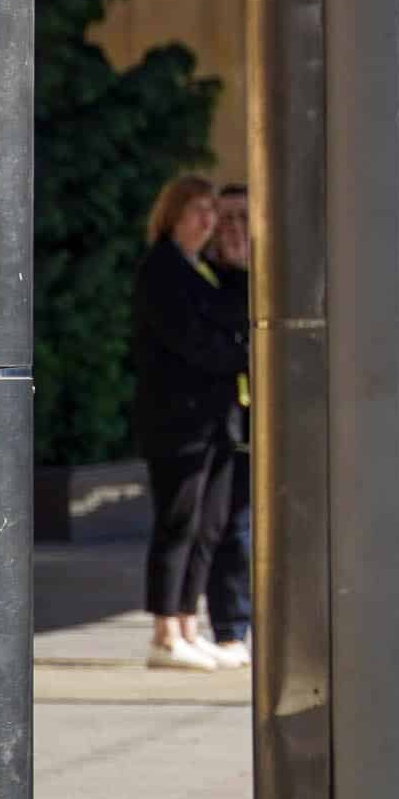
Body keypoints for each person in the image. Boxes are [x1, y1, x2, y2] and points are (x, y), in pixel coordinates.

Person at [131, 174, 248, 672]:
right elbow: (192, 342)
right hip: (179, 421)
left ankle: (186, 622)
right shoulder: (162, 269)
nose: (210, 221)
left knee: (209, 523)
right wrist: (240, 357)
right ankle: (165, 630)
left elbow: (232, 313)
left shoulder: (201, 269)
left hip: (215, 421)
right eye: (199, 210)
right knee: (177, 521)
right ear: (174, 214)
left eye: (212, 211)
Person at [201, 180, 255, 665]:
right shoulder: (208, 279)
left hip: (270, 417)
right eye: (226, 219)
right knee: (234, 527)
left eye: (244, 218)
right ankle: (230, 626)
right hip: (226, 423)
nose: (235, 229)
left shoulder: (271, 277)